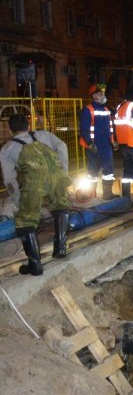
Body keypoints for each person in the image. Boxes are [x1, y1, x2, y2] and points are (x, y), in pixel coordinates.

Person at [0, 114, 72, 275]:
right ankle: (60, 248)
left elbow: (10, 179)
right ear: (28, 125)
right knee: (60, 206)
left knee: (25, 221)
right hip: (57, 176)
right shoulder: (44, 134)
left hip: (33, 183)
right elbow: (62, 146)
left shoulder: (7, 149)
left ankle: (35, 265)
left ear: (10, 129)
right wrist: (63, 172)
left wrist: (19, 200)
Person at [80, 84, 118, 200]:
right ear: (95, 96)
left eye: (103, 93)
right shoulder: (88, 110)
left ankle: (107, 194)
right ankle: (92, 195)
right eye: (101, 94)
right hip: (94, 147)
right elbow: (84, 129)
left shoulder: (106, 110)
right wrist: (90, 143)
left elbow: (110, 129)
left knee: (109, 170)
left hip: (106, 146)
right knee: (92, 172)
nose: (103, 96)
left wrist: (113, 141)